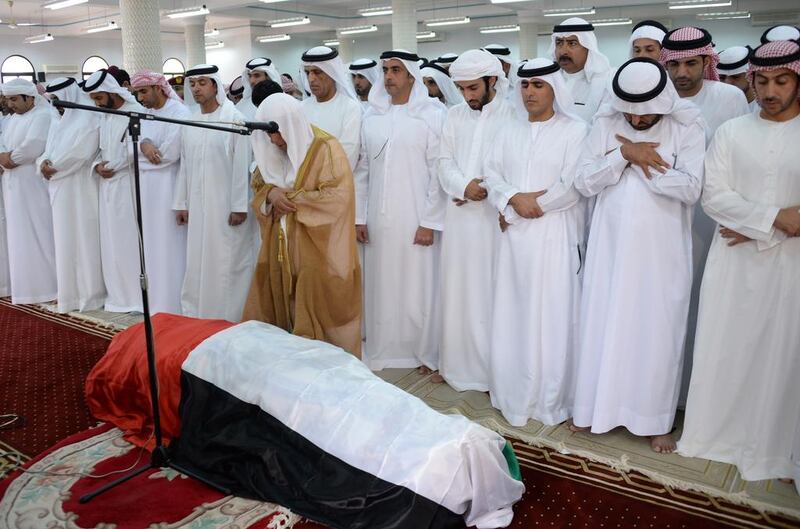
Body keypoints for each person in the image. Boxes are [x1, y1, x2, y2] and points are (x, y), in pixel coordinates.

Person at [678, 39, 800, 484]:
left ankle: (778, 448)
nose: (770, 91)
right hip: (734, 265)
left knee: (782, 353)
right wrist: (775, 219)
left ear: (798, 82)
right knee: (729, 347)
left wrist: (755, 226)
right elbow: (715, 197)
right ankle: (718, 437)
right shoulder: (732, 131)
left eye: (781, 81)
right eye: (762, 81)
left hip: (791, 268)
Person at [571, 58, 706, 454]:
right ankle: (592, 409)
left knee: (657, 332)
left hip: (660, 254)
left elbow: (691, 188)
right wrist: (623, 156)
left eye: (644, 112)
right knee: (603, 324)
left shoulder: (688, 124)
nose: (635, 116)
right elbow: (583, 180)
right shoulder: (603, 122)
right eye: (629, 110)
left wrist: (646, 161)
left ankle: (656, 420)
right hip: (609, 249)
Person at [485, 58, 588, 426]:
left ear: (554, 89)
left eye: (538, 85)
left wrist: (524, 205)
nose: (530, 92)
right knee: (513, 310)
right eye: (525, 85)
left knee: (552, 314)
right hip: (513, 239)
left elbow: (571, 185)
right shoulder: (507, 129)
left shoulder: (575, 130)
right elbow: (491, 173)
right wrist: (513, 198)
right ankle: (512, 392)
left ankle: (549, 400)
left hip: (555, 235)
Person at [660, 27, 751, 402]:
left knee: (706, 306)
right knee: (667, 307)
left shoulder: (729, 97)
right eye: (675, 65)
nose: (682, 73)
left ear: (707, 62)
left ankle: (700, 397)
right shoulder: (654, 98)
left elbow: (743, 157)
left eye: (691, 63)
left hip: (711, 221)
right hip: (664, 218)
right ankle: (667, 393)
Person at [243, 93, 361, 355]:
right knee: (280, 302)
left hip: (317, 248)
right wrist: (270, 194)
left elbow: (337, 197)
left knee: (318, 306)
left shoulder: (325, 148)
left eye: (277, 133)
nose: (274, 141)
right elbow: (260, 183)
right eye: (269, 136)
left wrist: (292, 199)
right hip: (279, 243)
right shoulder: (272, 148)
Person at [354, 50, 447, 371]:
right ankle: (385, 347)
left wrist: (430, 221)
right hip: (379, 220)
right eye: (385, 70)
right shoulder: (372, 116)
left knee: (417, 285)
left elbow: (439, 173)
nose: (389, 76)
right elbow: (362, 170)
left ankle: (421, 350)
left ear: (411, 76)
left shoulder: (432, 115)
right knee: (381, 285)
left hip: (416, 217)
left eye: (396, 70)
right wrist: (359, 217)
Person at [435, 49, 514, 391]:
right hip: (460, 217)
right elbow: (443, 161)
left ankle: (491, 371)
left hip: (494, 221)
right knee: (458, 291)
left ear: (492, 80)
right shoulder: (454, 116)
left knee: (491, 292)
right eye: (462, 88)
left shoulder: (513, 115)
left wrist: (485, 188)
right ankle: (457, 366)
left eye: (473, 88)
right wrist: (463, 186)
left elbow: (514, 163)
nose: (467, 96)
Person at [174, 64, 257, 321]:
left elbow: (242, 164)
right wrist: (181, 202)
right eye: (193, 84)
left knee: (227, 260)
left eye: (202, 83)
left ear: (214, 86)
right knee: (200, 258)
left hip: (227, 206)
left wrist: (239, 205)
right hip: (199, 205)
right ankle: (200, 312)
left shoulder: (233, 119)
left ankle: (228, 315)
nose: (196, 88)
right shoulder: (190, 122)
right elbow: (185, 164)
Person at [38, 77, 105, 313]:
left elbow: (81, 153)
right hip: (59, 188)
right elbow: (46, 151)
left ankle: (90, 295)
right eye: (53, 100)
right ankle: (69, 295)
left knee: (84, 240)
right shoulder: (57, 121)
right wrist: (42, 164)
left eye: (60, 98)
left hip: (80, 189)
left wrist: (53, 168)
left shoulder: (89, 118)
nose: (57, 104)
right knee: (65, 240)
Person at [83, 69, 146, 313]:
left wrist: (116, 165)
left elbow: (140, 147)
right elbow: (98, 150)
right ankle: (117, 296)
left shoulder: (136, 112)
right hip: (107, 185)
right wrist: (97, 165)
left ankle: (135, 298)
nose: (97, 103)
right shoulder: (105, 116)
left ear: (111, 92)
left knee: (129, 241)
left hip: (128, 184)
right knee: (110, 242)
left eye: (99, 98)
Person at [131, 70, 191, 315]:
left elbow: (167, 156)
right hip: (147, 191)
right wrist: (144, 146)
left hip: (170, 189)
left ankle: (173, 304)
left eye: (144, 91)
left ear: (159, 88)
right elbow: (129, 150)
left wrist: (143, 153)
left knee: (171, 247)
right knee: (152, 246)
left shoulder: (180, 113)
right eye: (137, 93)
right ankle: (155, 302)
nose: (141, 97)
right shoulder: (144, 114)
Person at [0, 78, 56, 305]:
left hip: (33, 184)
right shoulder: (13, 119)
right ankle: (25, 288)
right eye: (7, 100)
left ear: (29, 97)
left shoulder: (43, 116)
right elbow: (3, 144)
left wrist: (10, 158)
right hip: (13, 184)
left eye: (14, 99)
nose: (10, 104)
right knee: (18, 235)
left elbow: (34, 145)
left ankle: (48, 288)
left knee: (40, 232)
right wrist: (5, 158)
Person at [300, 46, 363, 170]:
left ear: (332, 73)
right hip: (302, 184)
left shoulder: (350, 108)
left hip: (336, 184)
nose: (311, 79)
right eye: (308, 73)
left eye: (317, 72)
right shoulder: (301, 108)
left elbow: (347, 156)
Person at [548, 17, 612, 122]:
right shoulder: (548, 82)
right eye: (559, 43)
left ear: (588, 47)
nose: (563, 51)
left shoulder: (605, 83)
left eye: (572, 43)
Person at [717, 46, 759, 112]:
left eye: (735, 77)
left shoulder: (765, 108)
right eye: (722, 77)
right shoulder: (715, 105)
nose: (727, 83)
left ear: (751, 76)